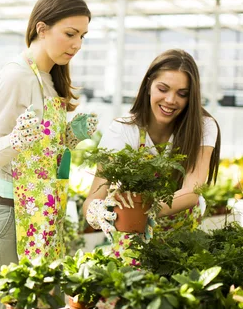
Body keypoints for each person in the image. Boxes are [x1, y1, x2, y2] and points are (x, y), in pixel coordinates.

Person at [0, 0, 98, 309]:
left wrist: (69, 138)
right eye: (70, 34)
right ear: (41, 29)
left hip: (40, 217)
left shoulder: (50, 78)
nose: (77, 45)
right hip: (8, 216)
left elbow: (41, 157)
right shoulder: (16, 75)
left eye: (82, 36)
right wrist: (15, 140)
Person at [84, 49, 221, 260]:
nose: (170, 100)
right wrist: (99, 211)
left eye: (182, 94)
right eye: (163, 89)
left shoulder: (202, 126)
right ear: (149, 85)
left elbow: (193, 189)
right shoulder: (123, 130)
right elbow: (92, 199)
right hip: (132, 238)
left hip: (183, 241)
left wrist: (146, 209)